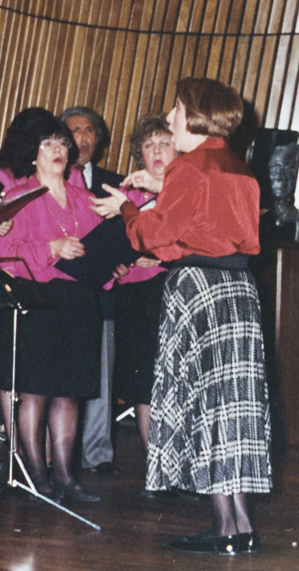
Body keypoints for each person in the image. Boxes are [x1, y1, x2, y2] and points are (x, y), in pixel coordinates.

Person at [93, 78, 271, 554]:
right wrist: (157, 188)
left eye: (176, 109)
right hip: (239, 290)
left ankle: (224, 525)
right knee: (234, 406)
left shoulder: (189, 167)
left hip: (199, 292)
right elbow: (200, 228)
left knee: (205, 404)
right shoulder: (238, 165)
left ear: (195, 115)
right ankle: (239, 525)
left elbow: (155, 235)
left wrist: (127, 210)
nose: (170, 118)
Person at [0, 107, 103, 504]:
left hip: (77, 299)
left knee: (69, 392)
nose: (56, 149)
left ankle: (67, 475)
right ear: (33, 154)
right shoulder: (18, 196)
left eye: (61, 143)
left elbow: (101, 247)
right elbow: (2, 251)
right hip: (35, 298)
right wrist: (51, 248)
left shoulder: (84, 198)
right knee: (35, 392)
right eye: (47, 143)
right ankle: (37, 477)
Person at [60, 105, 123, 476]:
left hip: (104, 293)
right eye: (73, 131)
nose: (81, 138)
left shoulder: (114, 183)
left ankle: (98, 453)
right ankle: (57, 454)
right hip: (63, 292)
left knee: (102, 374)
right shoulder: (49, 180)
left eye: (88, 131)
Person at [111, 114, 175, 457]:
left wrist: (163, 257)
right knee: (145, 379)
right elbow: (108, 241)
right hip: (137, 292)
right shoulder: (128, 193)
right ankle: (156, 461)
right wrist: (125, 260)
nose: (157, 151)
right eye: (149, 145)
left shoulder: (185, 190)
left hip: (174, 287)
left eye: (165, 143)